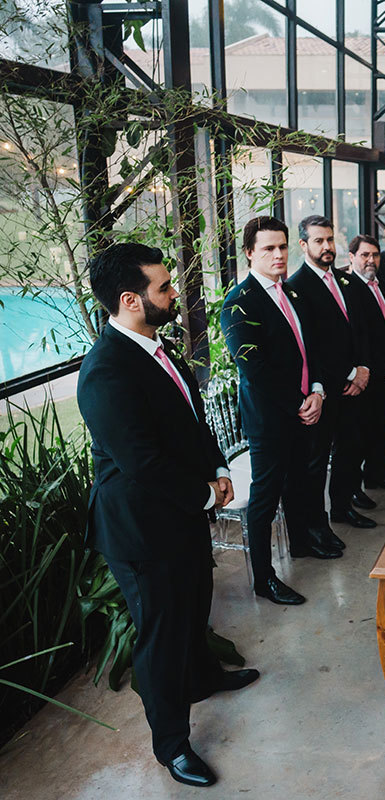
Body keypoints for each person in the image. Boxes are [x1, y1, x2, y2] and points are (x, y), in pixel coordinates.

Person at [79, 243, 258, 787]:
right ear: (131, 299)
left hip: (178, 512)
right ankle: (173, 746)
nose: (175, 293)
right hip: (140, 527)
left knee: (194, 604)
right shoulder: (106, 371)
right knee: (160, 634)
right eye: (164, 287)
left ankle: (202, 676)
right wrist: (207, 495)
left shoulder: (159, 348)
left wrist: (219, 468)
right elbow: (143, 464)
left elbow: (190, 421)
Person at [221, 217, 337, 607]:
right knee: (266, 497)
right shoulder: (239, 303)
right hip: (270, 418)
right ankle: (264, 579)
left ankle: (302, 544)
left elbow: (314, 349)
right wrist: (298, 404)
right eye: (268, 248)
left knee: (302, 483)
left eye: (283, 246)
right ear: (250, 253)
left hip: (306, 406)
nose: (278, 254)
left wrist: (318, 391)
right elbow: (255, 370)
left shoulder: (294, 295)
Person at [287, 215, 374, 533]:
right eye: (319, 241)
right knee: (318, 458)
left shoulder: (346, 280)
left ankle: (342, 507)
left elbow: (360, 330)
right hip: (326, 387)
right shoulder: (296, 287)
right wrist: (349, 373)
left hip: (355, 385)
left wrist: (364, 369)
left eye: (329, 239)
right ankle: (317, 524)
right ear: (303, 245)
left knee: (351, 448)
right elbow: (312, 346)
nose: (327, 247)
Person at [342, 234, 385, 493]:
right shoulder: (349, 288)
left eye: (375, 255)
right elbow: (359, 337)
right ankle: (352, 492)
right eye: (365, 255)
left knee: (382, 428)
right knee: (358, 437)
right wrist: (378, 368)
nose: (371, 260)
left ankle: (375, 475)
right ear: (351, 258)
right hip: (366, 374)